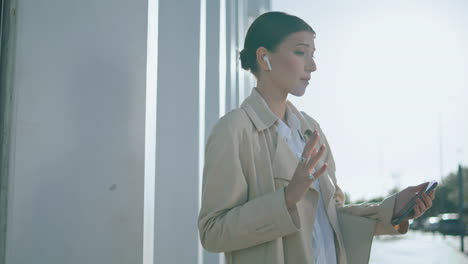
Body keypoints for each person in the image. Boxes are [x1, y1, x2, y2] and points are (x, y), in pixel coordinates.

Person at [198, 11, 435, 264]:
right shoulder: (234, 129)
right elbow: (213, 232)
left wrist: (393, 209)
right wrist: (287, 198)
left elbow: (332, 218)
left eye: (313, 55)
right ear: (264, 57)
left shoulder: (311, 130)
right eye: (301, 52)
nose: (312, 66)